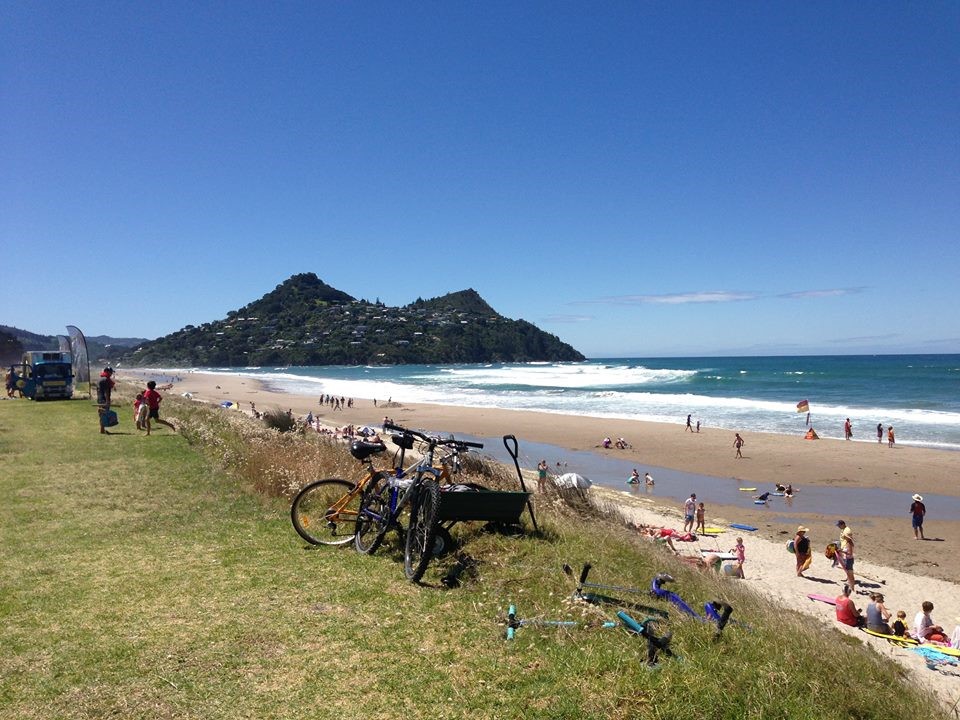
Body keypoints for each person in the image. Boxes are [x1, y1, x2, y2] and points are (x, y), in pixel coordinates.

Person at [96, 367, 116, 434]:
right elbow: (106, 391)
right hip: (104, 399)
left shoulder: (100, 379)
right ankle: (102, 429)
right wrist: (107, 401)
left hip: (99, 398)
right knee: (104, 413)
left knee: (102, 415)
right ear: (107, 372)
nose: (111, 374)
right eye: (110, 372)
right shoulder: (106, 380)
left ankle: (102, 429)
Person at [839, 525, 856, 589]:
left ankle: (852, 587)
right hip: (849, 559)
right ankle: (851, 586)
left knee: (850, 574)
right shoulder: (849, 543)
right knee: (850, 574)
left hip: (849, 559)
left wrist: (842, 552)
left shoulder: (849, 544)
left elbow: (849, 553)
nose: (845, 538)